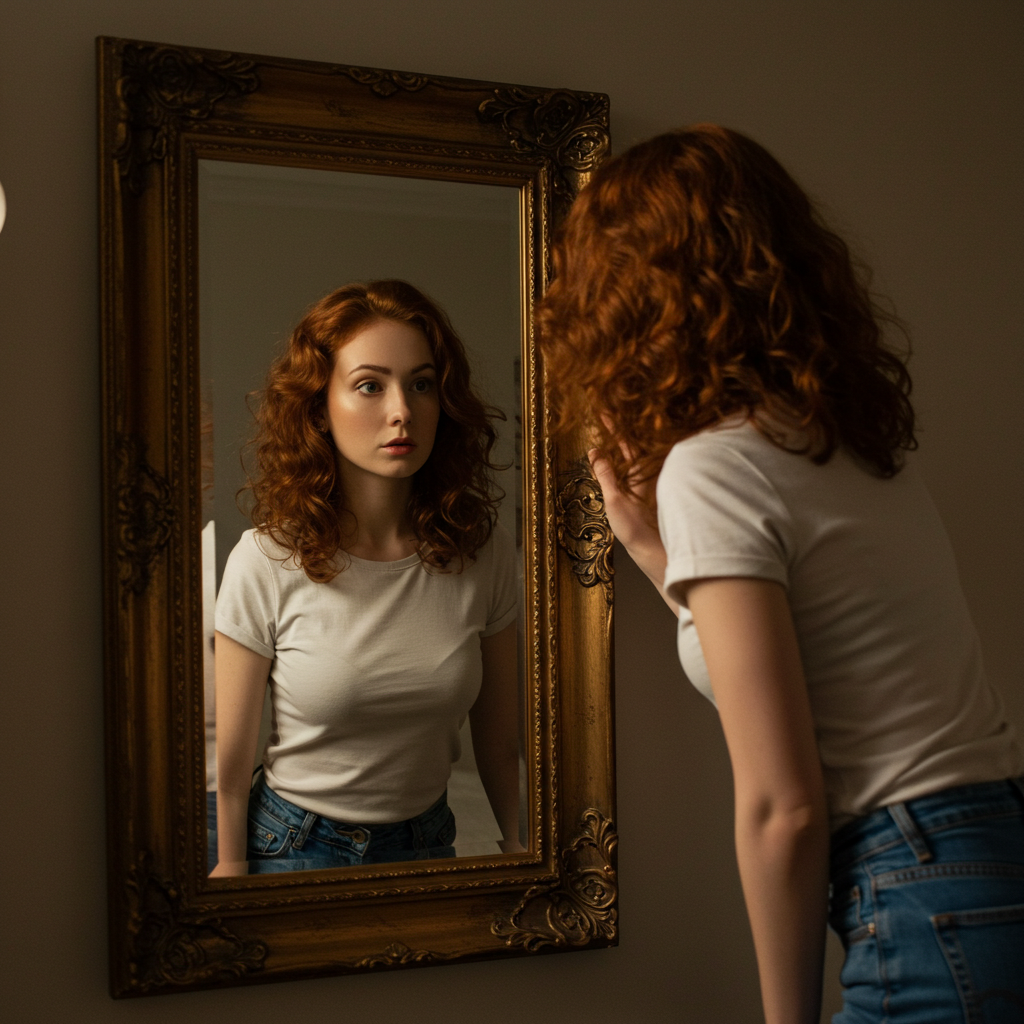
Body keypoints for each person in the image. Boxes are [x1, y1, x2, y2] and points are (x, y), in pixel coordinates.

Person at [538, 125, 1024, 1024]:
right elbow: (826, 675)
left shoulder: (716, 467)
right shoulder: (848, 444)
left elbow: (786, 807)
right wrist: (654, 553)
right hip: (991, 848)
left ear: (626, 299)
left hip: (916, 882)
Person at [210, 279, 522, 877]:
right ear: (319, 407)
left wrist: (520, 849)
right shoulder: (266, 559)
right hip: (294, 846)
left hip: (430, 842)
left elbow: (501, 747)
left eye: (421, 384)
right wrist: (229, 868)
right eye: (370, 386)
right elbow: (232, 765)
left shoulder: (483, 555)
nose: (401, 410)